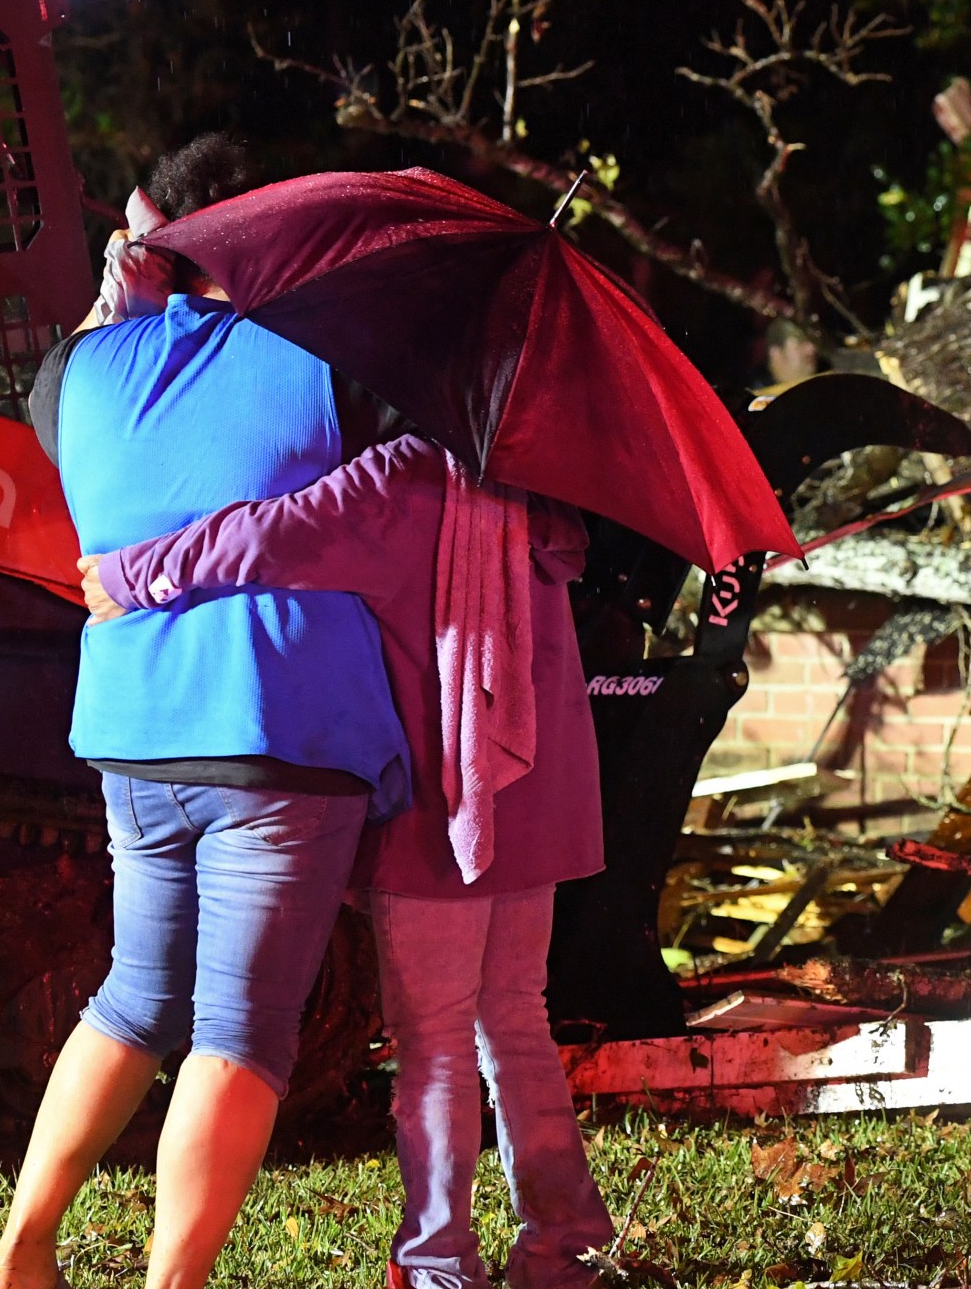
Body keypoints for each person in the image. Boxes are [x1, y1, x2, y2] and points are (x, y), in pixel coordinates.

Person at [0, 134, 413, 1289]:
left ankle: (23, 1252)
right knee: (240, 1032)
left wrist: (125, 277)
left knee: (135, 996)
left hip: (132, 726)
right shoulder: (329, 358)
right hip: (277, 727)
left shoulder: (82, 376)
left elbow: (56, 395)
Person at [80, 434, 615, 1289]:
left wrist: (127, 574)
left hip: (449, 798)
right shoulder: (535, 484)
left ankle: (441, 1266)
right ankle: (565, 1245)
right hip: (535, 796)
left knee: (434, 1043)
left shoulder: (402, 478)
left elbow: (263, 536)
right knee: (517, 1020)